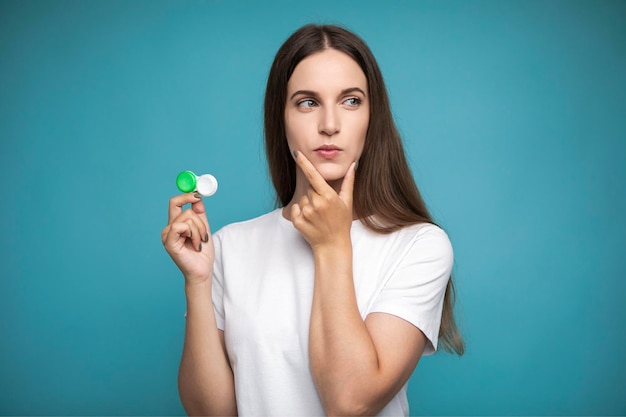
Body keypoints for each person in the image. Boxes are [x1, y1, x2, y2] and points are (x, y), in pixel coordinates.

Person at [162, 23, 464, 417]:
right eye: (307, 102)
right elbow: (211, 412)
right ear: (281, 117)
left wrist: (332, 245)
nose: (330, 124)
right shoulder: (230, 246)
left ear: (373, 117)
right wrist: (198, 283)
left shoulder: (418, 245)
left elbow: (350, 402)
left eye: (351, 101)